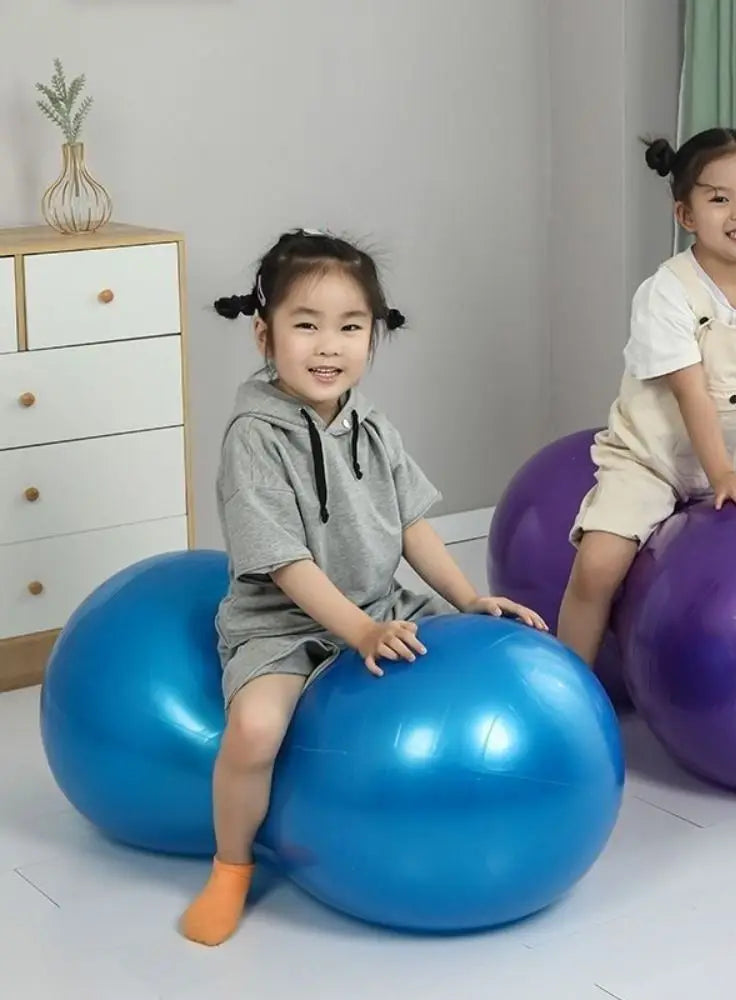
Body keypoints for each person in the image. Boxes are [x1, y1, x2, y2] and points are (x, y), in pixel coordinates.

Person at [180, 228, 546, 946]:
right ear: (264, 333)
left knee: (477, 668)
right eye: (305, 325)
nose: (328, 347)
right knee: (255, 732)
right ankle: (230, 867)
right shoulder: (254, 435)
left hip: (378, 607)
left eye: (350, 327)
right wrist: (357, 633)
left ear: (373, 337)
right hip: (283, 622)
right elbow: (285, 564)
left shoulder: (370, 423)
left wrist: (467, 600)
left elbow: (409, 525)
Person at [557, 121, 736, 668]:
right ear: (686, 215)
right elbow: (691, 393)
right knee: (597, 565)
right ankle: (568, 684)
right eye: (718, 199)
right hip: (654, 460)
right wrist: (719, 475)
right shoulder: (666, 292)